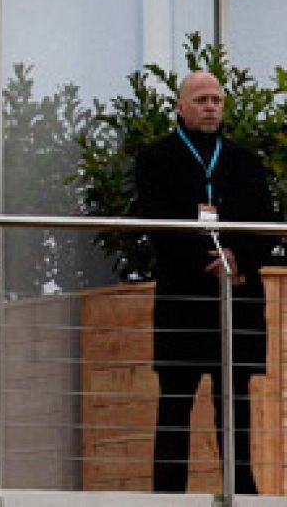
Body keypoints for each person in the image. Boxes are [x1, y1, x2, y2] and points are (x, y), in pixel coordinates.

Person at [134, 70, 276, 495]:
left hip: (237, 296)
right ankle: (167, 494)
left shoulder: (245, 162)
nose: (210, 106)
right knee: (175, 399)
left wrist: (239, 258)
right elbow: (155, 223)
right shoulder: (156, 159)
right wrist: (206, 259)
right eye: (200, 100)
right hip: (184, 298)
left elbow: (266, 225)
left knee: (234, 401)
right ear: (180, 108)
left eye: (216, 99)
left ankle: (242, 490)